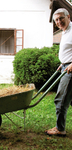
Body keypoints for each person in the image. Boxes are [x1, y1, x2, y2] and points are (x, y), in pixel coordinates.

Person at [45, 8, 72, 136]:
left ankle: (60, 129)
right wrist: (63, 62)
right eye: (56, 19)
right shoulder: (66, 31)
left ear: (68, 17)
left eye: (61, 18)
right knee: (69, 99)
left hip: (70, 71)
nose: (58, 21)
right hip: (65, 66)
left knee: (60, 100)